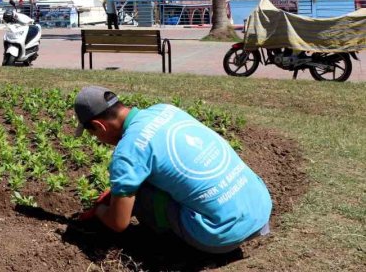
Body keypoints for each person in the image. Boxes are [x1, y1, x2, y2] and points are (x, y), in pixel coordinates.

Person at [73, 86, 272, 254]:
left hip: (219, 234)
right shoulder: (165, 109)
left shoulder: (128, 152)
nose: (96, 138)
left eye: (92, 133)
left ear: (99, 126)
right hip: (260, 206)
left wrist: (99, 210)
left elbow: (118, 223)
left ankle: (165, 250)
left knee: (142, 193)